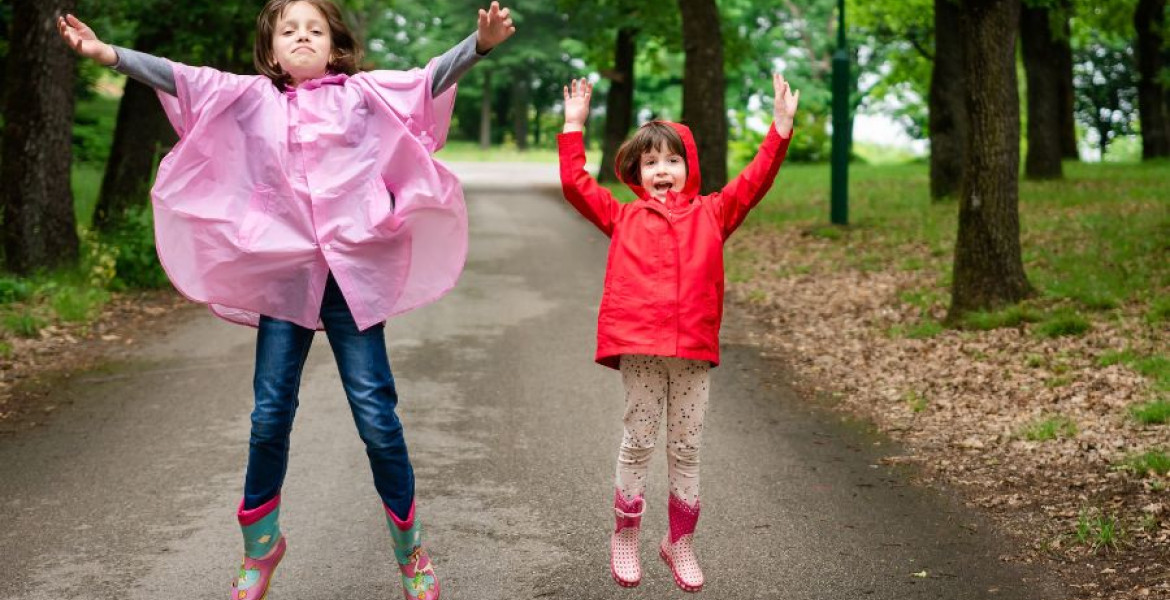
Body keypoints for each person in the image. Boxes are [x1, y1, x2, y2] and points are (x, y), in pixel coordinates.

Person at [57, 2, 515, 598]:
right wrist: (108, 54)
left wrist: (478, 45)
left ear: (335, 47)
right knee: (269, 416)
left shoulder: (364, 95)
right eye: (289, 31)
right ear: (272, 51)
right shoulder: (252, 98)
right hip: (284, 277)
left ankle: (411, 550)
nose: (302, 37)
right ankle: (261, 547)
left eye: (315, 30)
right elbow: (181, 77)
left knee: (377, 418)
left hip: (350, 279)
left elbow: (427, 80)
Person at [557, 74, 798, 591]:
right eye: (650, 163)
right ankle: (626, 534)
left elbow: (755, 180)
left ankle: (679, 541)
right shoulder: (623, 217)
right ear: (637, 173)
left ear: (689, 167)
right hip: (640, 348)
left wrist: (779, 130)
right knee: (639, 441)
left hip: (691, 351)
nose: (662, 170)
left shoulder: (714, 213)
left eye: (671, 160)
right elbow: (576, 185)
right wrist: (574, 126)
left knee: (687, 448)